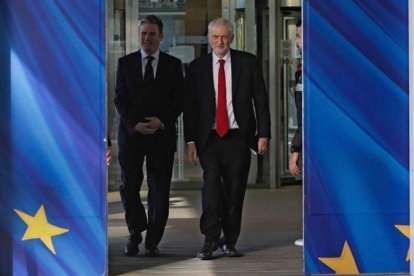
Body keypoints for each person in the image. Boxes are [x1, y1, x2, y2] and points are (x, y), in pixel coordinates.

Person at [184, 18, 271, 260]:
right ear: (209, 39)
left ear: (232, 38)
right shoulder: (196, 67)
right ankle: (210, 239)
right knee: (210, 190)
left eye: (224, 36)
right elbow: (190, 108)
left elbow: (261, 101)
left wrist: (263, 134)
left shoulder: (247, 62)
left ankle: (229, 241)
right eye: (215, 37)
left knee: (235, 191)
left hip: (238, 138)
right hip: (209, 139)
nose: (220, 41)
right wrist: (190, 141)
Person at [114, 15, 184, 257]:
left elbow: (180, 100)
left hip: (161, 136)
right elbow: (119, 99)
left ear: (161, 37)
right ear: (139, 35)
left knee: (159, 189)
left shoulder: (173, 65)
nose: (147, 38)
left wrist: (161, 121)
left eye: (152, 34)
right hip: (132, 135)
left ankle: (153, 241)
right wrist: (134, 125)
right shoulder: (125, 64)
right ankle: (135, 233)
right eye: (143, 33)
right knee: (129, 186)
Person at [288, 19, 304, 247]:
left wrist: (296, 147)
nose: (296, 41)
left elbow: (309, 115)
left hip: (317, 144)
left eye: (300, 35)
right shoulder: (301, 68)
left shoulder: (315, 69)